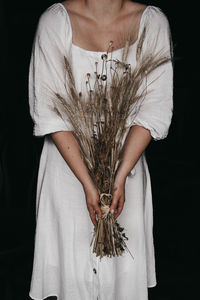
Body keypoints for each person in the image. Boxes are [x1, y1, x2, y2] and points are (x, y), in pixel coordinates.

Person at [28, 0, 173, 299]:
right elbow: (48, 111)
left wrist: (119, 177)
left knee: (122, 282)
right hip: (67, 175)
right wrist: (87, 182)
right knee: (70, 279)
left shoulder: (152, 22)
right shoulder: (55, 22)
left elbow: (155, 109)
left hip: (127, 174)